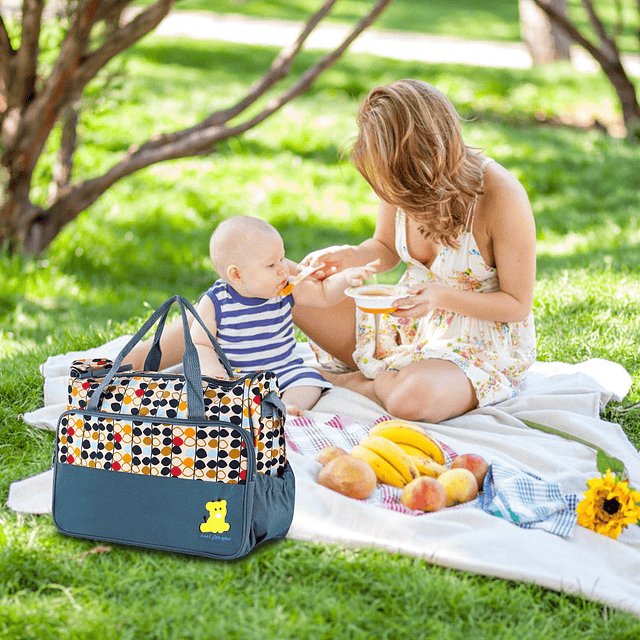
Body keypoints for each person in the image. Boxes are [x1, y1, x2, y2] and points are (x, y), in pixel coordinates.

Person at [291, 79, 537, 423]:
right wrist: (350, 255)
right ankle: (190, 367)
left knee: (412, 399)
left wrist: (440, 297)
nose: (392, 191)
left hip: (475, 347)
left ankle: (343, 381)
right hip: (402, 326)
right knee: (273, 277)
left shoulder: (501, 195)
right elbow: (386, 248)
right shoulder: (399, 176)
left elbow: (516, 305)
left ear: (425, 157)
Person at [125, 215, 378, 415]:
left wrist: (346, 279)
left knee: (308, 383)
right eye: (271, 264)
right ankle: (248, 405)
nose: (283, 268)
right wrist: (217, 376)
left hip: (283, 369)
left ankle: (284, 408)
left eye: (281, 258)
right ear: (237, 275)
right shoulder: (215, 302)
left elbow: (322, 295)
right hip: (236, 374)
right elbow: (200, 343)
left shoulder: (285, 289)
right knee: (207, 387)